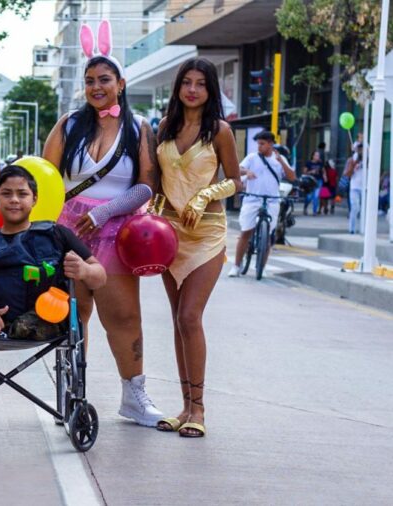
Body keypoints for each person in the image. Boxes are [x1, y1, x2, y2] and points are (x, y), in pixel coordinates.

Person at [43, 20, 162, 427]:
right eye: (90, 80)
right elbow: (44, 177)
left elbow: (148, 186)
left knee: (124, 317)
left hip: (117, 231)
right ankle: (72, 392)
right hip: (67, 230)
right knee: (71, 314)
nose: (97, 87)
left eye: (105, 79)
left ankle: (134, 396)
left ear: (121, 83)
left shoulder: (138, 127)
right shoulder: (68, 124)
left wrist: (106, 211)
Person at [154, 57, 242, 437]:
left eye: (201, 84)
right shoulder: (163, 128)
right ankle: (184, 406)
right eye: (186, 82)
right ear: (178, 87)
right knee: (177, 320)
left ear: (210, 91)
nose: (192, 89)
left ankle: (200, 409)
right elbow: (157, 185)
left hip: (206, 232)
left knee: (190, 316)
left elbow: (237, 180)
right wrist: (150, 219)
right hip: (168, 233)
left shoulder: (220, 130)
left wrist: (206, 194)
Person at [0, 165, 106, 340]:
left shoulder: (57, 234)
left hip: (45, 319)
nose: (14, 200)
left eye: (22, 194)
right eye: (6, 193)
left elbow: (100, 276)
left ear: (34, 199)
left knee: (26, 326)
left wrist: (84, 270)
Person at [228, 131, 295, 277]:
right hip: (252, 199)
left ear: (271, 144)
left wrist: (282, 162)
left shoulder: (279, 159)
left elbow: (292, 177)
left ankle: (262, 267)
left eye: (262, 144)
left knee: (269, 236)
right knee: (246, 232)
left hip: (272, 200)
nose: (259, 146)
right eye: (258, 143)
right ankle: (236, 266)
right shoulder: (252, 157)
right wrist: (247, 172)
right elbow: (237, 169)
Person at [345, 143, 365, 234]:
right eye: (359, 149)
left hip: (365, 187)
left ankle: (364, 228)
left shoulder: (369, 158)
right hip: (355, 186)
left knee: (364, 208)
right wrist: (353, 164)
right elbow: (347, 174)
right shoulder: (352, 159)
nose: (361, 151)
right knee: (355, 207)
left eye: (362, 149)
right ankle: (352, 229)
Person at [303, 151, 323, 215]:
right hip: (310, 182)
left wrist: (325, 177)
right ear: (313, 156)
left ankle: (314, 211)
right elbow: (304, 172)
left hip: (318, 180)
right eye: (316, 155)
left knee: (316, 196)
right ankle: (305, 207)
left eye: (318, 155)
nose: (318, 157)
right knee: (309, 197)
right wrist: (311, 172)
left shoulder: (320, 163)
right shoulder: (308, 163)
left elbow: (323, 170)